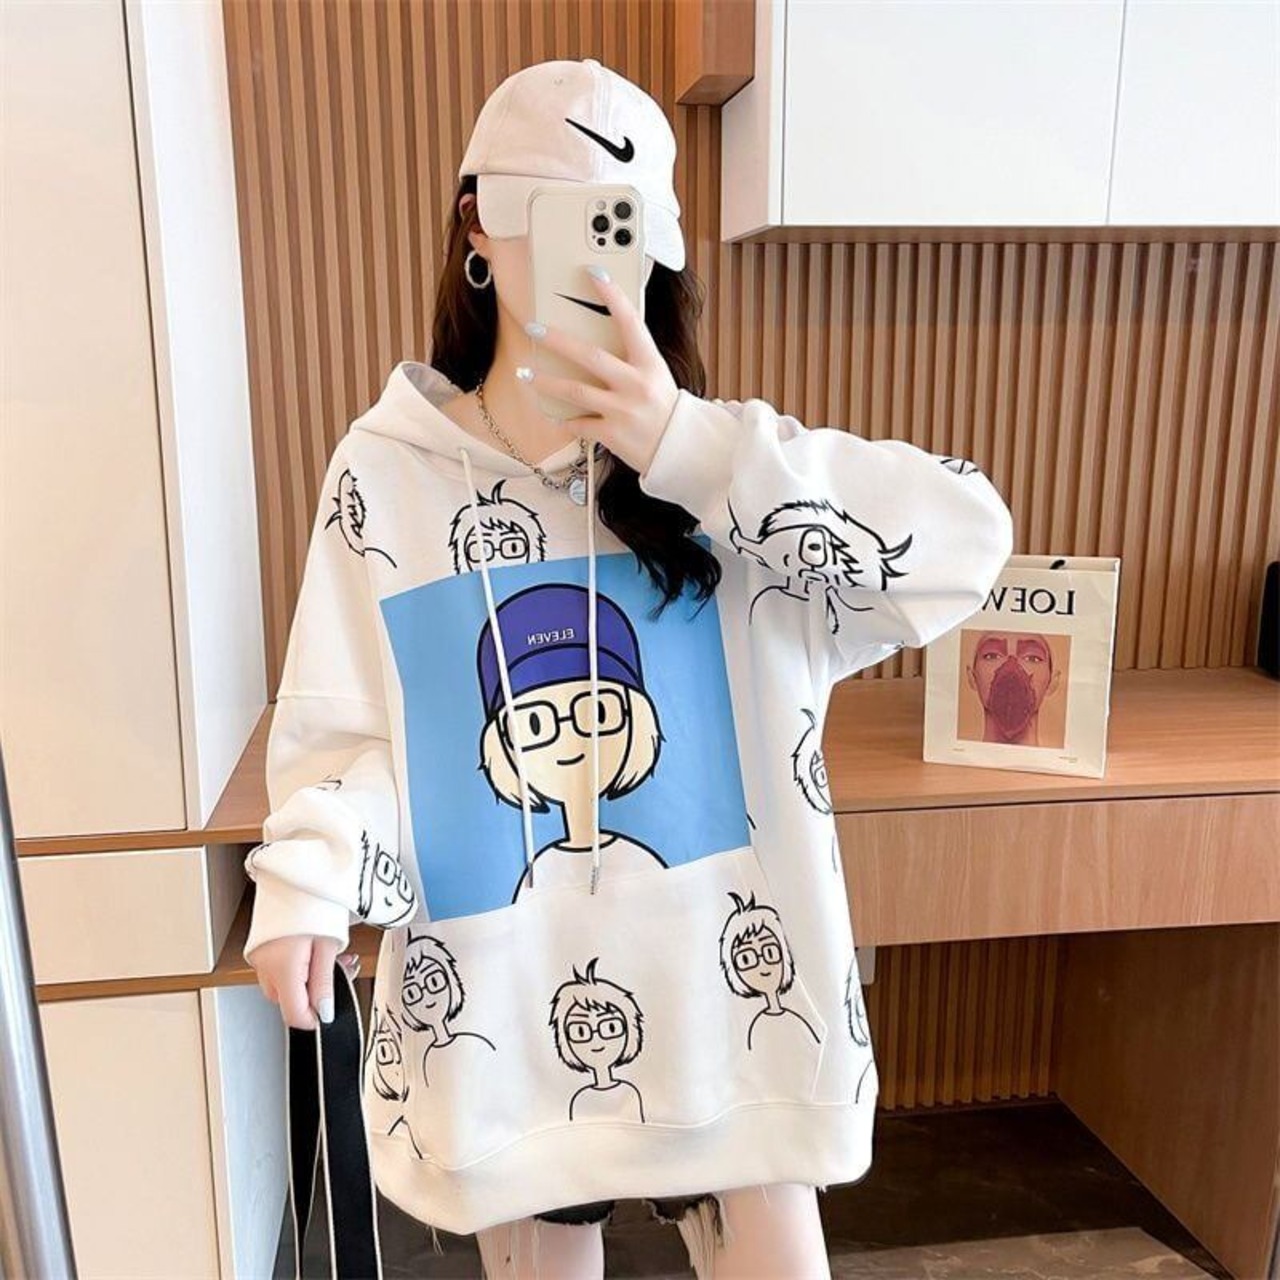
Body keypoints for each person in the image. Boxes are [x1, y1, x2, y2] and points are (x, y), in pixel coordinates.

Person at [243, 57, 1015, 1280]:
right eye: (550, 211)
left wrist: (683, 444)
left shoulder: (726, 476)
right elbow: (367, 734)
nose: (590, 256)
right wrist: (313, 875)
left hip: (732, 1023)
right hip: (510, 1017)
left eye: (617, 221)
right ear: (475, 227)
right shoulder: (389, 474)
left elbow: (964, 541)